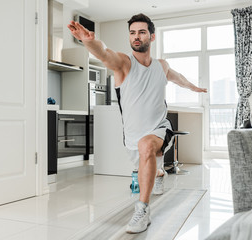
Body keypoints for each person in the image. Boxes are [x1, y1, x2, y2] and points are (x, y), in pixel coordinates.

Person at [67, 13, 207, 234]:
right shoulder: (124, 63)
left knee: (147, 147)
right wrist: (88, 41)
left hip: (161, 127)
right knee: (144, 156)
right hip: (132, 135)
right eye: (132, 33)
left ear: (152, 36)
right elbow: (104, 53)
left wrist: (193, 88)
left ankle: (142, 210)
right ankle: (160, 174)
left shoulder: (161, 65)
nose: (136, 37)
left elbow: (176, 77)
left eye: (142, 32)